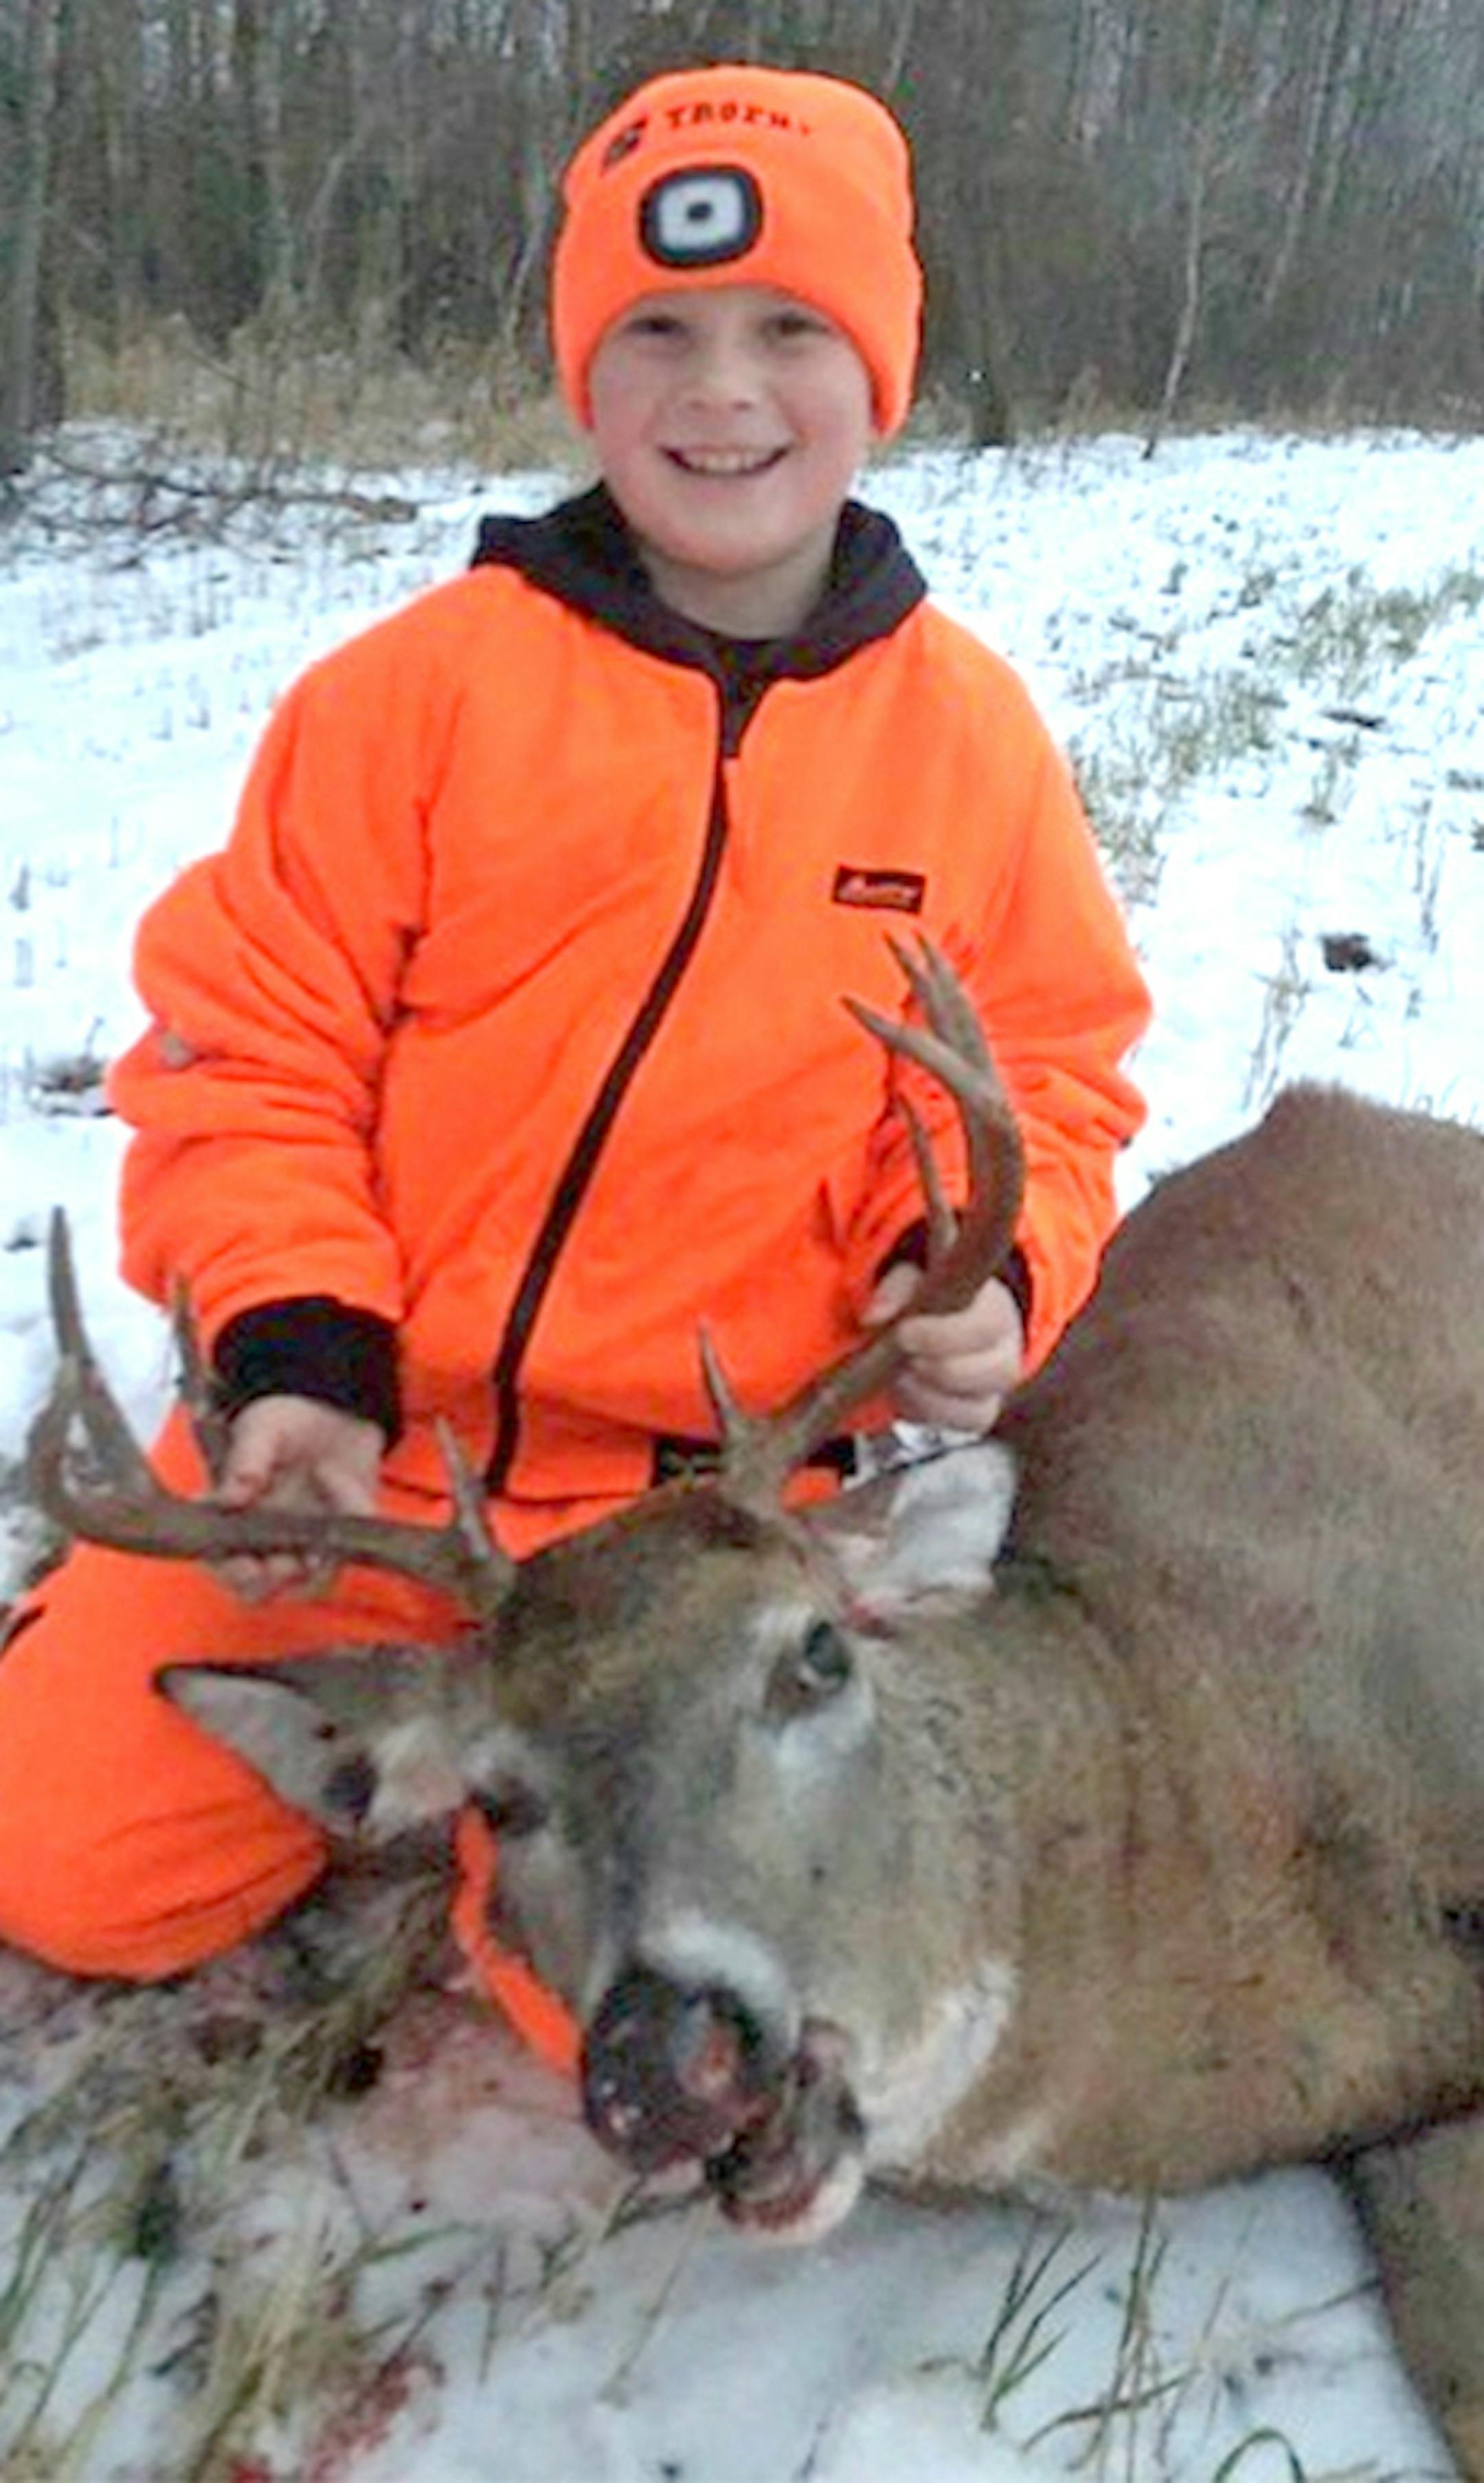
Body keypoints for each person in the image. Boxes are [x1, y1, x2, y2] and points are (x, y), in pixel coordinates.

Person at [0, 63, 1150, 2067]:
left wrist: (984, 1272)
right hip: (366, 1460)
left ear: (879, 365)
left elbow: (1040, 1074)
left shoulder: (965, 748)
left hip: (700, 1516)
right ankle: (212, 1678)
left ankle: (503, 1797)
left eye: (791, 330)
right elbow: (248, 1045)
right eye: (660, 336)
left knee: (632, 2023)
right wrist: (287, 1357)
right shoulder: (415, 701)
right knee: (70, 1869)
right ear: (582, 375)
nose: (724, 394)